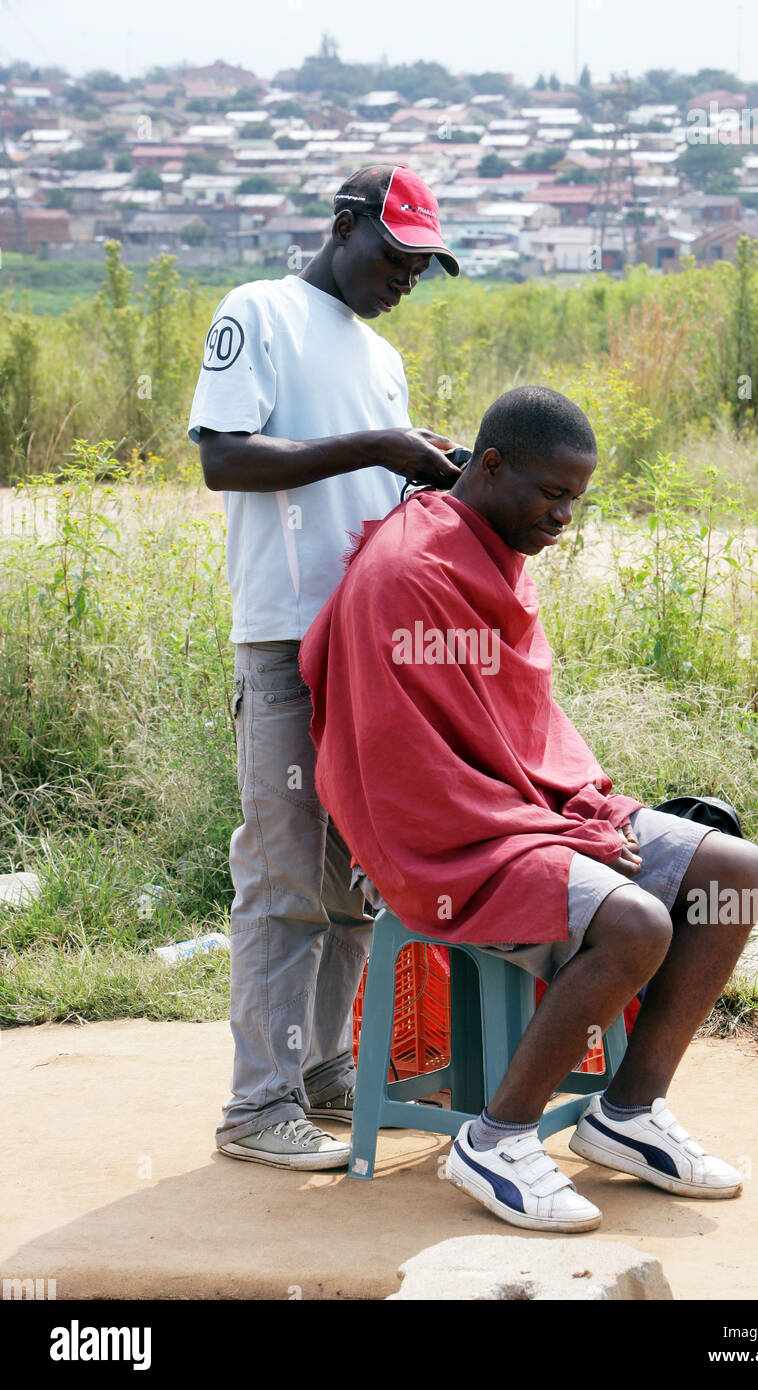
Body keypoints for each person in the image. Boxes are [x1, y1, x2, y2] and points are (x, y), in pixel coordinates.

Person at [299, 384, 758, 1231]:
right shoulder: (410, 573)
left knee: (733, 869)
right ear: (489, 466)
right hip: (445, 841)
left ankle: (625, 1115)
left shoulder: (488, 552)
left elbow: (520, 729)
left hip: (533, 810)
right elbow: (406, 773)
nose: (562, 518)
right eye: (551, 495)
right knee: (635, 925)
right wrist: (562, 834)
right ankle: (495, 1139)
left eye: (575, 502)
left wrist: (580, 816)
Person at [187, 165, 463, 1170]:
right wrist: (376, 446)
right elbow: (225, 457)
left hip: (364, 649)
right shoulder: (259, 311)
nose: (407, 278)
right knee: (281, 877)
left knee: (355, 875)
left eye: (423, 265)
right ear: (342, 227)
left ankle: (323, 1067)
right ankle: (256, 1107)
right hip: (284, 640)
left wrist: (430, 470)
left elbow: (375, 496)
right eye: (395, 256)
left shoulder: (382, 356)